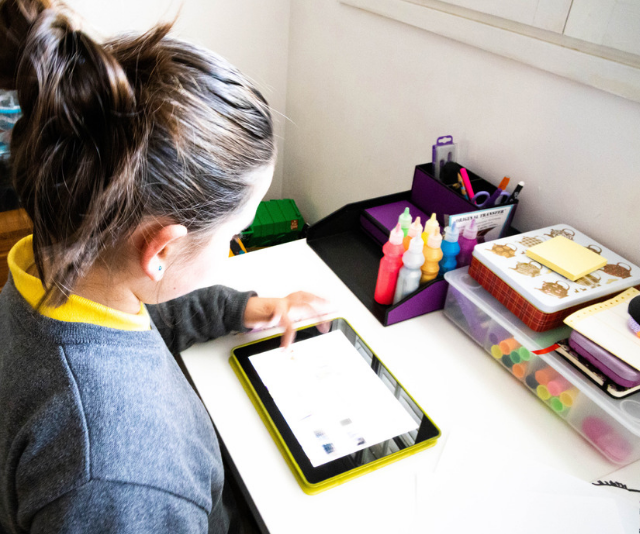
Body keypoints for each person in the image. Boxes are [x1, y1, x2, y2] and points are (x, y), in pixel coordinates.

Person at [0, 0, 330, 532]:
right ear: (160, 251)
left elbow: (146, 319)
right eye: (234, 234)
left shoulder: (48, 279)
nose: (232, 249)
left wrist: (245, 308)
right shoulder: (119, 480)